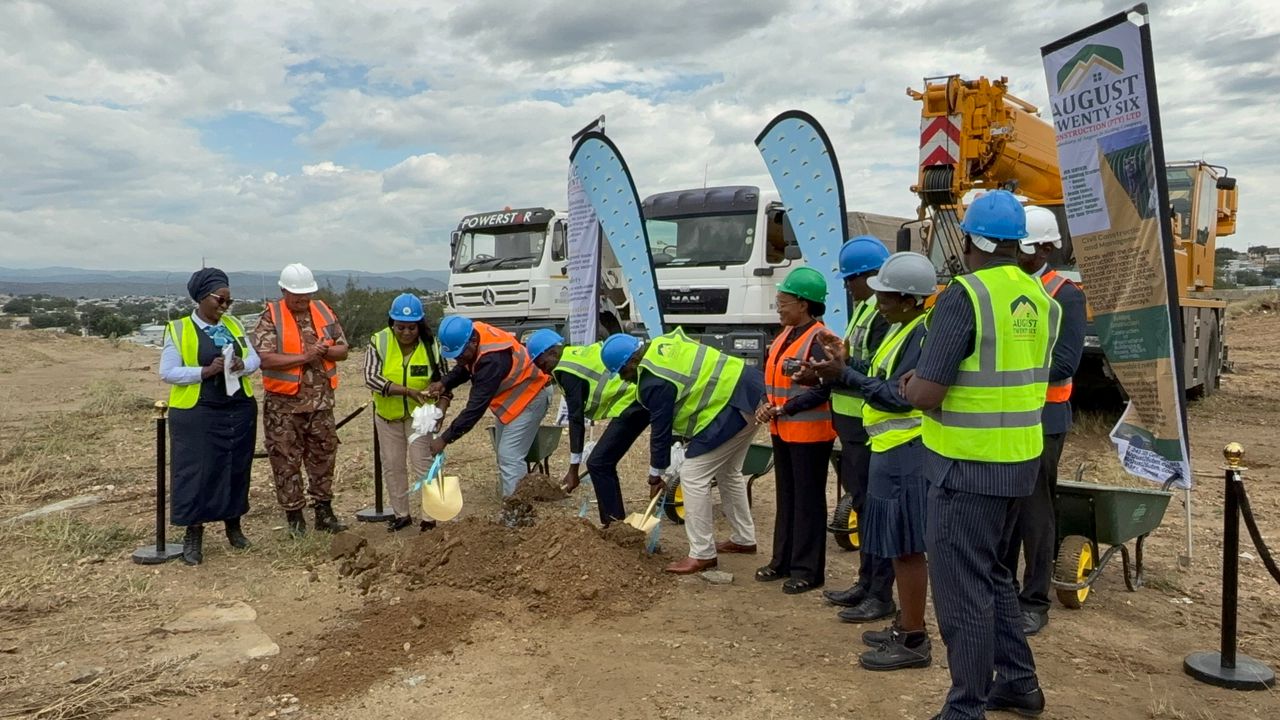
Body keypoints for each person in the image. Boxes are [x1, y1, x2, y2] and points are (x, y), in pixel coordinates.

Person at [901, 190, 1060, 719]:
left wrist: (906, 385)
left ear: (970, 239)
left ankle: (965, 708)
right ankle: (1018, 683)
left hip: (964, 467)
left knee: (962, 593)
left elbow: (927, 393)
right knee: (992, 576)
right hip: (1019, 462)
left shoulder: (965, 295)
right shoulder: (1041, 298)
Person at [818, 252, 935, 670]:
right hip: (889, 451)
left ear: (908, 298)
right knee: (897, 544)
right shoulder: (901, 329)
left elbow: (896, 397)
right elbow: (879, 374)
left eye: (886, 295)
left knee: (906, 546)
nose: (877, 300)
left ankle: (913, 638)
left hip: (907, 453)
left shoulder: (922, 334)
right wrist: (845, 365)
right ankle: (905, 625)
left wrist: (845, 376)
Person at [601, 329, 765, 575]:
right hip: (752, 390)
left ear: (632, 361)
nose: (625, 380)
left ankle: (702, 554)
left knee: (692, 475)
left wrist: (656, 475)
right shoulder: (662, 346)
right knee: (728, 472)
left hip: (733, 402)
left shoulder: (653, 380)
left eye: (624, 373)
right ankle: (743, 539)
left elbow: (661, 428)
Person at [1005, 206, 1087, 635]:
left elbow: (1065, 362)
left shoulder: (1064, 294)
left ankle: (1034, 597)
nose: (1015, 257)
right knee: (1006, 507)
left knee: (1035, 511)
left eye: (1022, 249)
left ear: (1046, 248)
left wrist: (1008, 365)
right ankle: (1003, 588)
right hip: (1009, 417)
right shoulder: (1010, 289)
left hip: (1045, 417)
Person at [817, 236, 898, 622]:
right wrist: (839, 358)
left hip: (872, 428)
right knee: (863, 508)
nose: (847, 286)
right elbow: (860, 358)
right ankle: (867, 583)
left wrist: (842, 370)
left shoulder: (883, 312)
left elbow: (878, 372)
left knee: (875, 512)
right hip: (854, 424)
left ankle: (879, 593)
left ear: (869, 275)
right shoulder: (866, 310)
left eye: (851, 279)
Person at [159, 268, 260, 565]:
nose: (225, 306)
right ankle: (194, 534)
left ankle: (234, 525)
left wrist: (242, 364)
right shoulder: (178, 329)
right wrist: (205, 372)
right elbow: (167, 372)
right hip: (198, 411)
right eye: (221, 300)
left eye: (229, 301)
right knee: (197, 471)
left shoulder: (233, 324)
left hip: (237, 407)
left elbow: (256, 359)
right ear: (203, 297)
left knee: (235, 466)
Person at [754, 267, 836, 594]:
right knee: (786, 497)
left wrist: (785, 408)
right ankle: (782, 560)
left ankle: (808, 569)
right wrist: (764, 402)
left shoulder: (821, 339)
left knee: (808, 501)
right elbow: (771, 377)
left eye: (783, 300)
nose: (779, 306)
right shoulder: (784, 335)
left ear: (803, 304)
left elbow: (823, 388)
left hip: (809, 435)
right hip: (782, 430)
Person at [252, 263, 350, 536]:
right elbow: (264, 358)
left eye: (306, 294)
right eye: (296, 295)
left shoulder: (323, 310)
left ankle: (324, 511)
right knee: (285, 461)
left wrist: (326, 351)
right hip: (284, 407)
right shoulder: (271, 316)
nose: (302, 300)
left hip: (321, 404)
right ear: (283, 291)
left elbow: (343, 348)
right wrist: (304, 357)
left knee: (323, 457)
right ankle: (295, 518)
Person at [526, 328, 647, 525]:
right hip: (634, 400)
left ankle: (613, 526)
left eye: (541, 363)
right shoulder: (572, 356)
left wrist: (573, 470)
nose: (542, 369)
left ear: (552, 352)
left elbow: (576, 419)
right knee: (601, 462)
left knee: (599, 463)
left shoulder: (567, 370)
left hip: (635, 401)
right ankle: (614, 523)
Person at [425, 316, 551, 496]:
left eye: (460, 354)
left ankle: (518, 513)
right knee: (505, 456)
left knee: (510, 456)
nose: (458, 360)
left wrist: (444, 439)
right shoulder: (472, 333)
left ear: (473, 341)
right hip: (515, 400)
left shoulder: (492, 359)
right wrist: (444, 383)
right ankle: (512, 500)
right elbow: (465, 365)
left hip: (531, 396)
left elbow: (475, 409)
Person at [365, 293, 447, 533]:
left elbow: (444, 382)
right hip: (387, 417)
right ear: (392, 323)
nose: (406, 332)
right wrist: (406, 391)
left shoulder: (432, 346)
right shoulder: (379, 341)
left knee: (423, 465)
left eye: (412, 327)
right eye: (400, 327)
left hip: (419, 417)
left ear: (419, 325)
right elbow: (371, 377)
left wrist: (440, 410)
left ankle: (430, 518)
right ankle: (401, 514)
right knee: (393, 466)